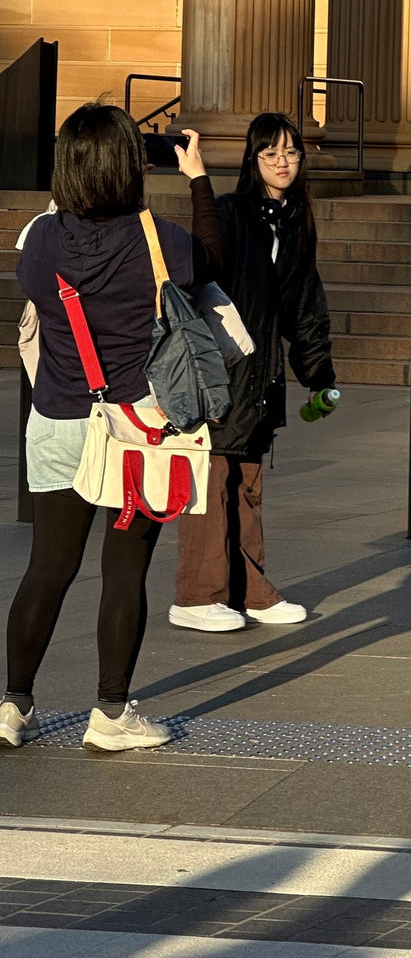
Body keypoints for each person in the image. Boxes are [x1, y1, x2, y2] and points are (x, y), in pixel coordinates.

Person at [1, 104, 221, 752]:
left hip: (60, 419)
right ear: (132, 165)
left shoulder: (40, 242)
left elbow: (47, 241)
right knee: (124, 570)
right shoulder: (159, 242)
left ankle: (14, 704)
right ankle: (111, 714)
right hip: (136, 429)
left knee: (48, 566)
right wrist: (198, 176)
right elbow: (214, 259)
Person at [170, 113, 335, 632]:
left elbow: (304, 305)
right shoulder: (233, 212)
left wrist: (318, 373)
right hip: (224, 368)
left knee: (245, 482)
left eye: (291, 152)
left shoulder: (294, 220)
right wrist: (197, 177)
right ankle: (198, 593)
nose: (282, 162)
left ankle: (249, 591)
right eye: (270, 153)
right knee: (213, 478)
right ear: (252, 160)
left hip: (261, 375)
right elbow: (205, 262)